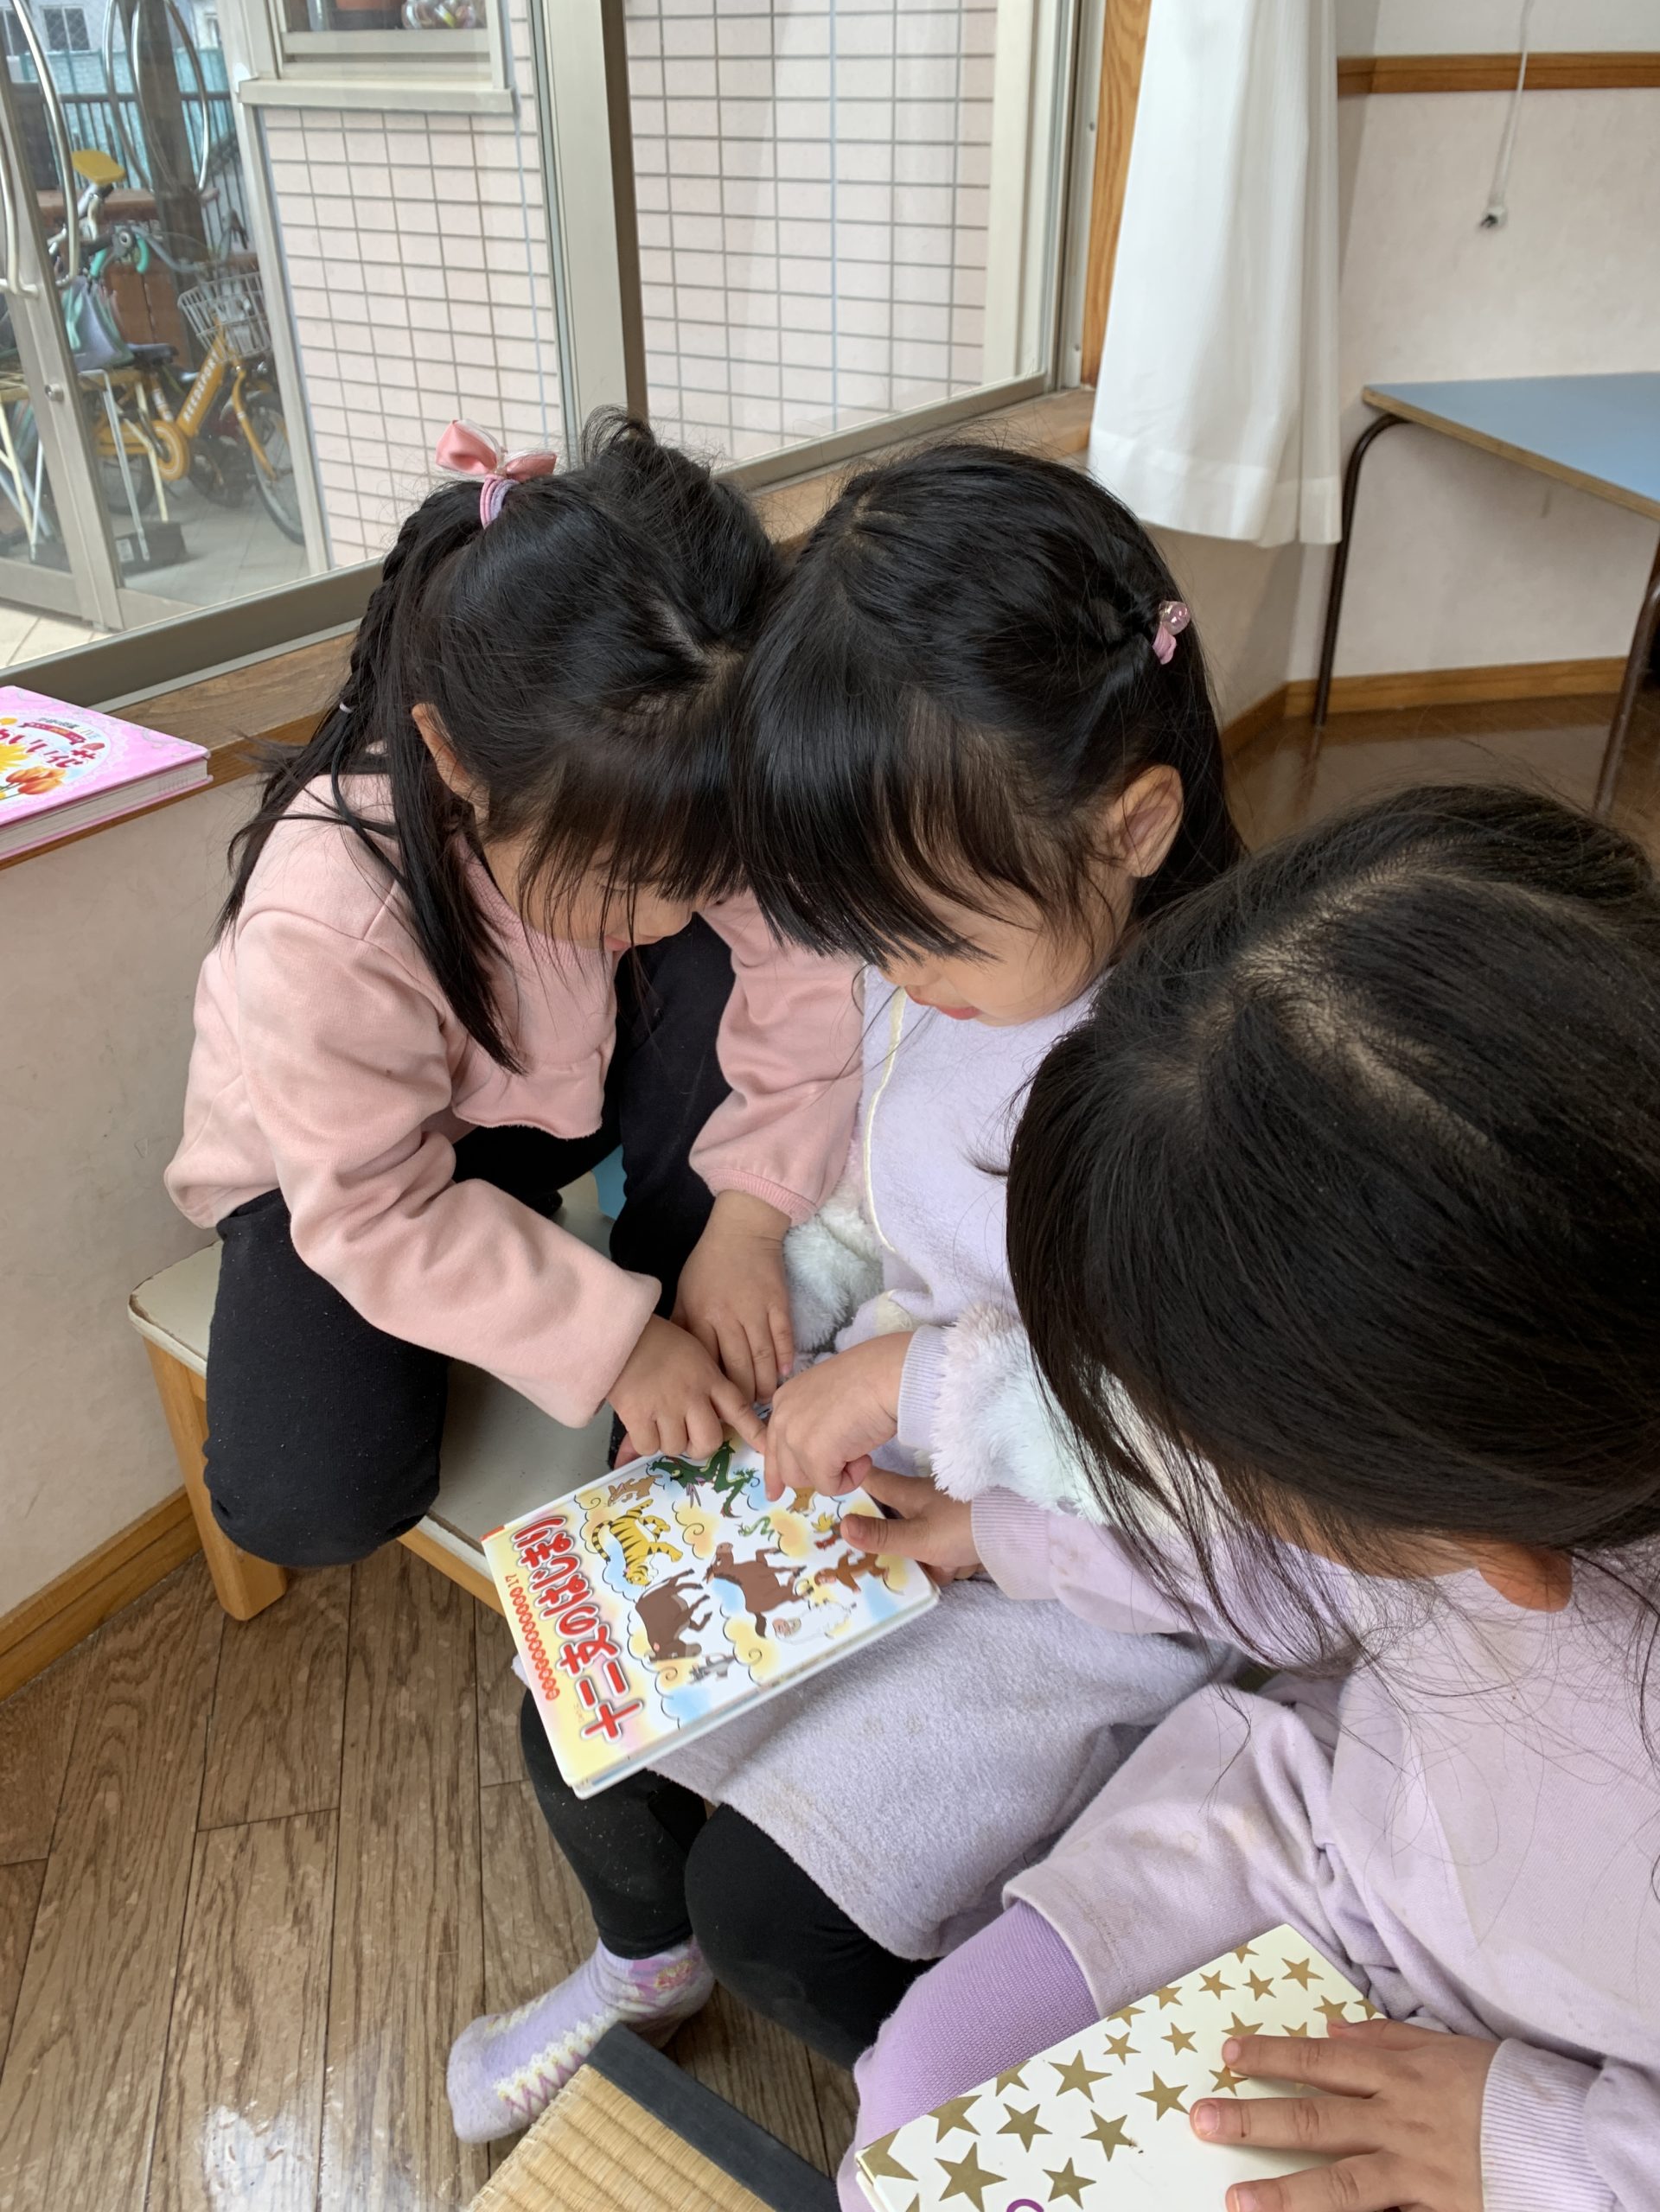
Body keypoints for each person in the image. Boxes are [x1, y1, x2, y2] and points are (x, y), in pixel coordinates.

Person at [445, 444, 1240, 2143]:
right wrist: (785, 1311)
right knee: (576, 1710)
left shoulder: (1211, 1079)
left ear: (1135, 825)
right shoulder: (947, 973)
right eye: (859, 928)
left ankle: (1009, 2102)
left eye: (921, 933)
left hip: (1098, 1568)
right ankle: (642, 1962)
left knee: (782, 1907)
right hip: (894, 1480)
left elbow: (1204, 1447)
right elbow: (884, 1205)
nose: (891, 976)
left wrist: (912, 1390)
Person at [837, 784, 1660, 2212]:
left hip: (1577, 2109)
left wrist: (1529, 2141)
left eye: (1226, 1447)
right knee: (914, 2114)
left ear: (1488, 1544)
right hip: (1338, 1861)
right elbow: (1244, 1561)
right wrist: (1000, 1531)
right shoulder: (1467, 1440)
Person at [166, 412, 861, 1572]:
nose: (667, 915)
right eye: (627, 883)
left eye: (697, 872)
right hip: (334, 1179)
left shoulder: (689, 764)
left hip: (542, 1105)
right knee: (306, 1497)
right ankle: (608, 1315)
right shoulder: (326, 912)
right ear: (454, 759)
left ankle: (675, 1286)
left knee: (730, 961)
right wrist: (616, 1342)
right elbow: (372, 1211)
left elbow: (808, 968)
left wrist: (747, 1218)